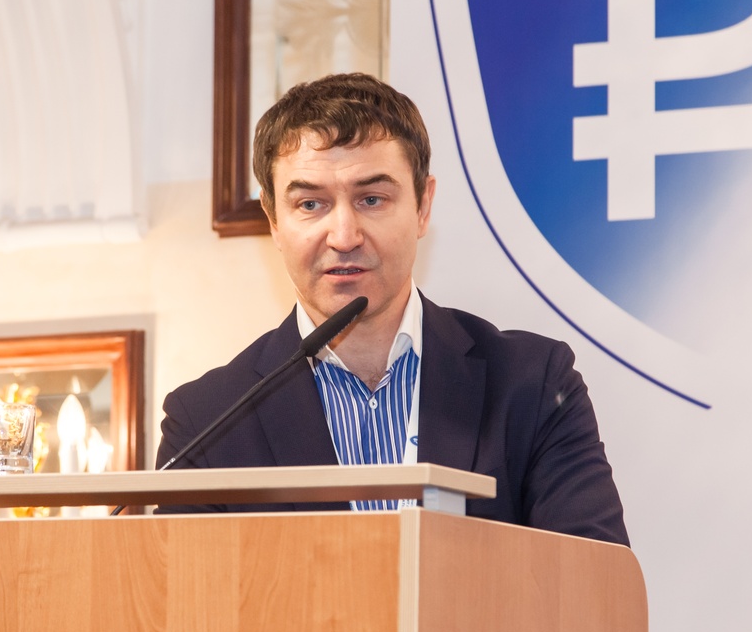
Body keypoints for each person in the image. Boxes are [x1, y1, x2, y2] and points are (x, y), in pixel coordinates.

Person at [156, 73, 628, 545]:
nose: (344, 236)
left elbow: (592, 580)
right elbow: (179, 592)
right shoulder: (206, 423)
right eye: (310, 204)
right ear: (274, 221)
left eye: (372, 199)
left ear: (423, 205)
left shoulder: (533, 385)